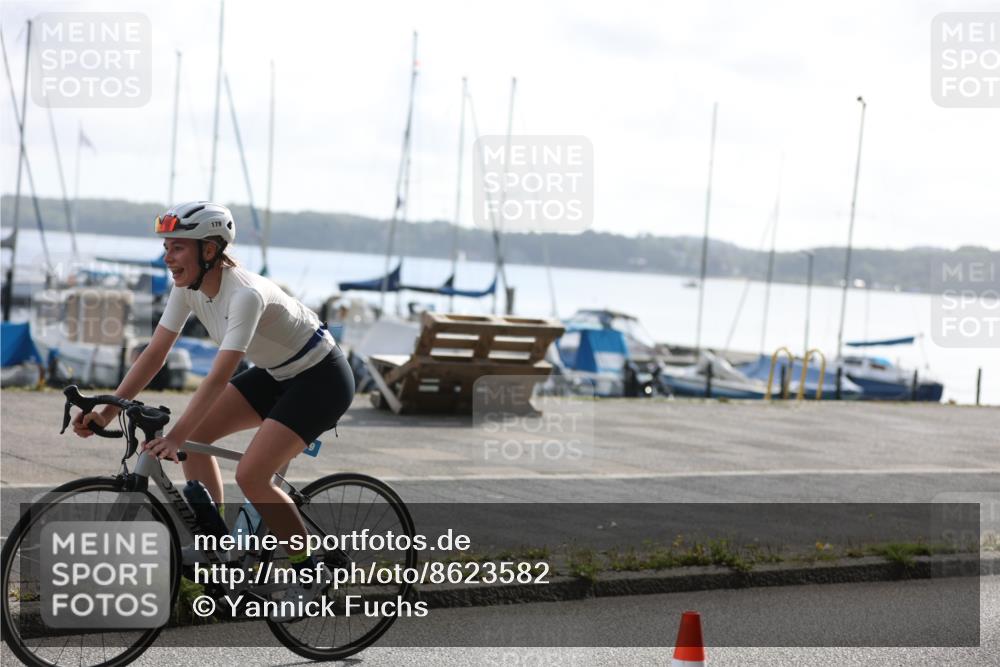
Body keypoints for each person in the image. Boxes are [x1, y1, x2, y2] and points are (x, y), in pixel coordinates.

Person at [71, 201, 355, 615]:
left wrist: (175, 437)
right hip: (277, 373)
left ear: (209, 250)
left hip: (322, 379)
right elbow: (154, 355)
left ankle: (309, 572)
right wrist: (107, 412)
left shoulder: (245, 295)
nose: (167, 257)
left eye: (177, 248)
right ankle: (220, 552)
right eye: (166, 247)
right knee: (198, 442)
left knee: (252, 475)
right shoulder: (186, 289)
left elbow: (219, 375)